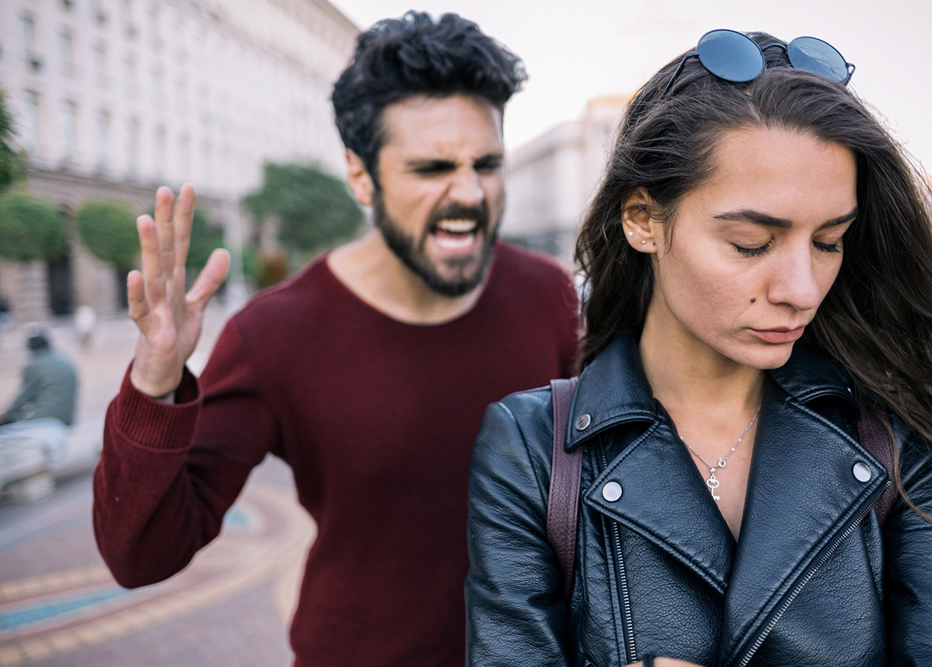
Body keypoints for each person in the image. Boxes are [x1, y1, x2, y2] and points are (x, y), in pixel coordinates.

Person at [466, 29, 932, 666]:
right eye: (752, 242)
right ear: (642, 219)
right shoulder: (532, 449)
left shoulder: (898, 438)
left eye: (829, 241)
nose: (801, 289)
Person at [92, 12, 579, 666]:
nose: (469, 193)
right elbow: (140, 555)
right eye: (432, 167)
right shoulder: (274, 333)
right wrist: (154, 380)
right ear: (360, 174)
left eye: (486, 163)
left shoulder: (550, 295)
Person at [0, 328, 77, 463]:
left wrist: (6, 414)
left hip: (46, 419)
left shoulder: (33, 365)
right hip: (67, 418)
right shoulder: (66, 360)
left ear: (30, 349)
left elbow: (23, 397)